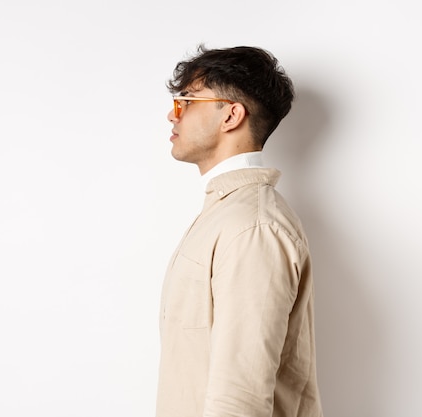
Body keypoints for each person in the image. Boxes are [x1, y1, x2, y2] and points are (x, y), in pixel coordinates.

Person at [156, 45, 323, 417]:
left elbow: (241, 397)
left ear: (231, 115)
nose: (172, 114)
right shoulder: (230, 215)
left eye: (187, 101)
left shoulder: (252, 227)